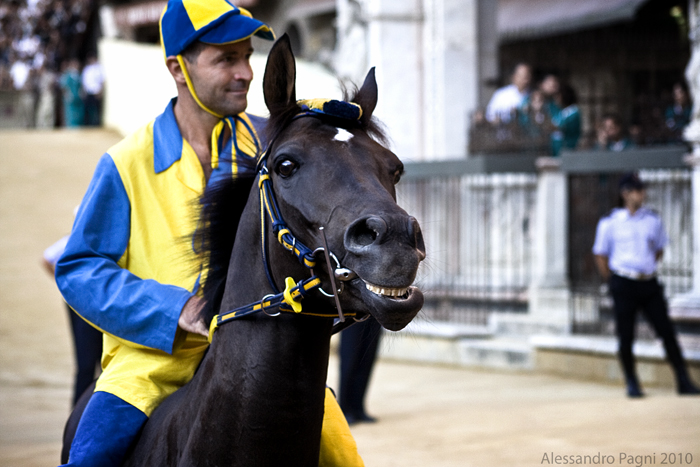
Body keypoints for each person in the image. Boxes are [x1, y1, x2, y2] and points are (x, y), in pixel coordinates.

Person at [55, 2, 363, 466]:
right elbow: (79, 269)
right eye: (226, 59)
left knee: (346, 456)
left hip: (264, 363)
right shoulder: (124, 163)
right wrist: (172, 308)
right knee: (89, 456)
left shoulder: (271, 148)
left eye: (246, 57)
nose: (245, 73)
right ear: (177, 69)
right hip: (148, 366)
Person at [592, 172, 700, 398]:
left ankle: (682, 379)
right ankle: (631, 381)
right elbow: (600, 254)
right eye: (637, 190)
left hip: (648, 283)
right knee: (626, 334)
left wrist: (646, 267)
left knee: (666, 332)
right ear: (625, 194)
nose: (642, 194)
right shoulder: (610, 222)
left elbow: (659, 249)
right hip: (623, 281)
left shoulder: (652, 219)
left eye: (642, 190)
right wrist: (611, 281)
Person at [42, 234, 102, 406]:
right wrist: (64, 282)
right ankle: (79, 410)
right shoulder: (75, 240)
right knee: (86, 362)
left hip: (96, 304)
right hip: (82, 305)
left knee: (97, 361)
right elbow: (46, 259)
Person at [339, 317, 382, 425]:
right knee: (349, 361)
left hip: (374, 314)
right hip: (352, 315)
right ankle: (344, 409)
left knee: (367, 360)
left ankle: (358, 408)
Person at [550, 84, 581, 156]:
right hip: (556, 150)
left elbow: (560, 127)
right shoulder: (561, 111)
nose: (555, 99)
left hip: (568, 149)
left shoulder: (574, 112)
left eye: (557, 96)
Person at [58, 58, 83, 127]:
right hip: (70, 97)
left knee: (78, 112)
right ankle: (70, 126)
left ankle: (77, 125)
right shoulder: (67, 75)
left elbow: (80, 86)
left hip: (77, 97)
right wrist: (67, 94)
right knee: (69, 113)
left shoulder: (78, 75)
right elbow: (64, 86)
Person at [80, 54, 103, 126]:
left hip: (96, 92)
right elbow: (84, 81)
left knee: (95, 111)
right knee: (87, 110)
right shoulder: (86, 69)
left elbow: (102, 81)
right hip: (88, 92)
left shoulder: (99, 68)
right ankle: (88, 125)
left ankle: (96, 125)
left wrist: (100, 92)